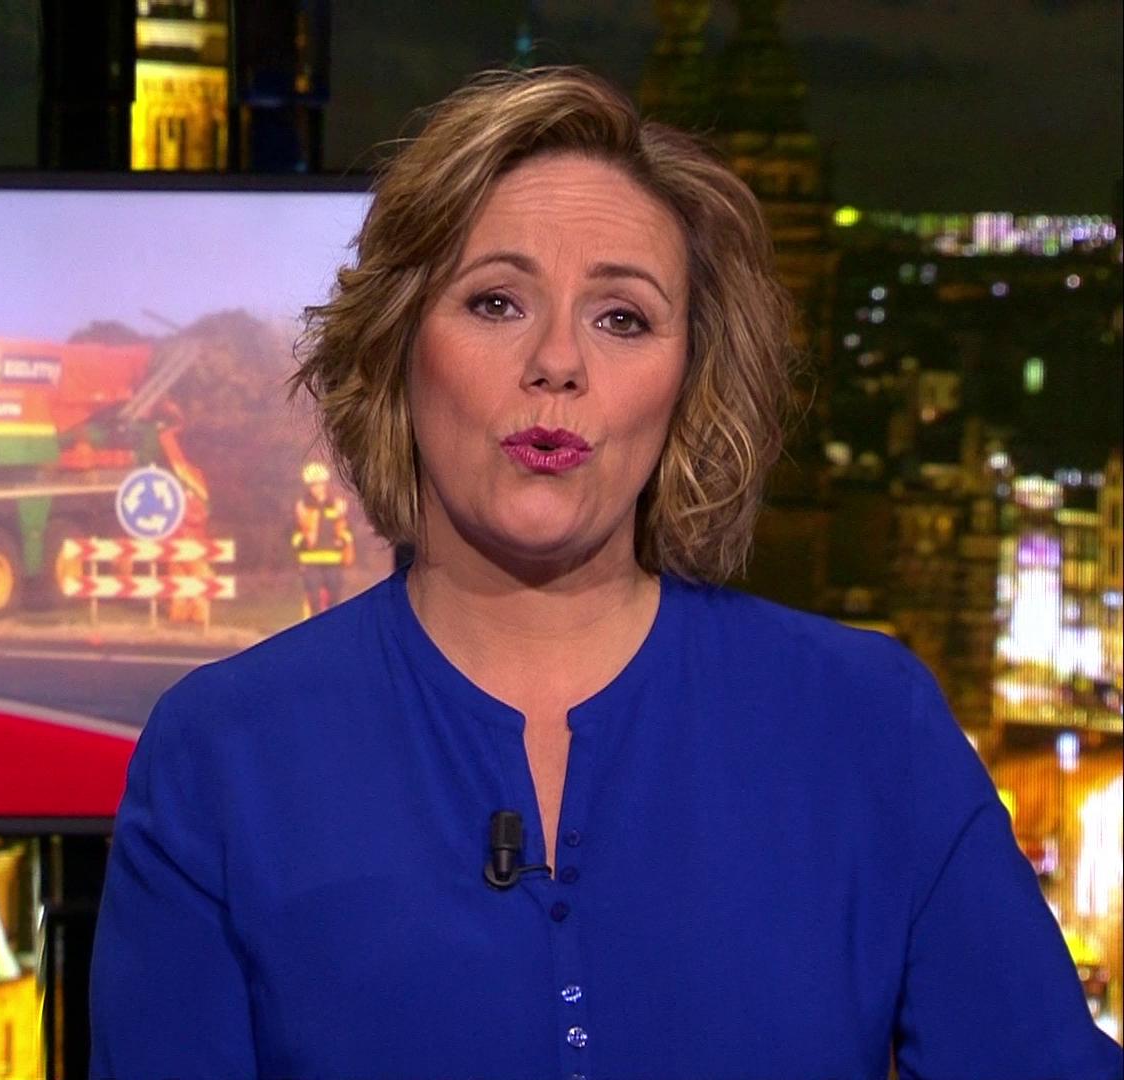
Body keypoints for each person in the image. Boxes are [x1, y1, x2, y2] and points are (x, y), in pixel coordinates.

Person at [90, 68, 1122, 1078]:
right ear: (397, 349)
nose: (558, 361)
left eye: (621, 317)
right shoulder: (220, 757)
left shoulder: (869, 725)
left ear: (689, 381)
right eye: (496, 302)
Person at [290, 460, 355, 616]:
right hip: (310, 561)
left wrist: (342, 541)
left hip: (334, 560)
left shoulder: (337, 505)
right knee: (313, 601)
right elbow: (293, 535)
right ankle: (315, 628)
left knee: (335, 601)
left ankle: (331, 628)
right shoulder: (302, 507)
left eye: (319, 484)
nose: (316, 488)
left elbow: (347, 530)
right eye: (313, 485)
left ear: (325, 484)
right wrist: (303, 542)